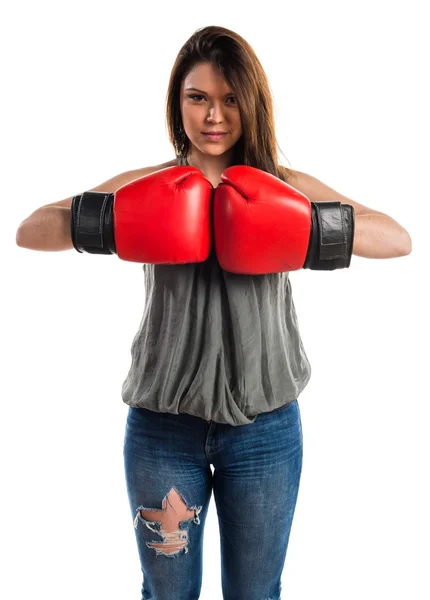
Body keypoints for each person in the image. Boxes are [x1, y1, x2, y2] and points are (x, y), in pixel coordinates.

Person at [15, 24, 411, 600]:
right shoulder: (149, 185)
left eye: (229, 99)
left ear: (251, 102)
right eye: (197, 97)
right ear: (179, 105)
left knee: (255, 593)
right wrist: (120, 222)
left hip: (266, 429)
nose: (213, 116)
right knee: (167, 594)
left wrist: (301, 228)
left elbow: (398, 238)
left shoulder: (286, 187)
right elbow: (29, 230)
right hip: (161, 428)